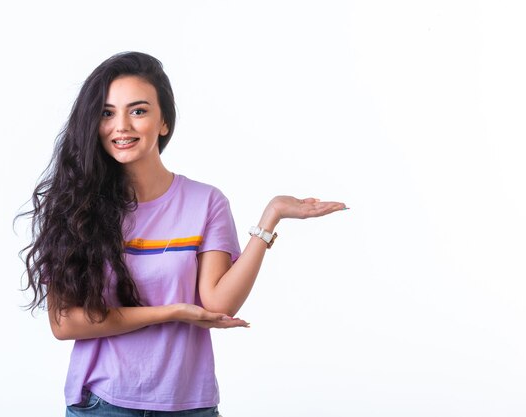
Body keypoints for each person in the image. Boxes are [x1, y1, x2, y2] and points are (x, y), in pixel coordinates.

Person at [19, 51, 346, 416]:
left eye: (138, 111)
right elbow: (65, 323)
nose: (121, 126)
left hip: (189, 405)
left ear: (164, 123)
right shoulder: (76, 207)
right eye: (107, 113)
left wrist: (270, 218)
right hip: (103, 404)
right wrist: (170, 312)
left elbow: (218, 304)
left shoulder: (205, 202)